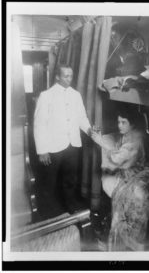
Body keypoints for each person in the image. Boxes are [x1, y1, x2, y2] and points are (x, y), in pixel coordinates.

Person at [92, 108, 149, 251]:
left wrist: (100, 141)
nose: (119, 125)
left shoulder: (136, 138)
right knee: (121, 194)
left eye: (123, 122)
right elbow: (118, 152)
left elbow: (117, 159)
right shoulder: (126, 135)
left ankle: (131, 240)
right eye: (118, 122)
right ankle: (116, 233)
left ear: (131, 124)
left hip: (143, 172)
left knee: (128, 195)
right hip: (131, 171)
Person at [34, 64, 92, 219]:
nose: (69, 79)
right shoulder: (46, 95)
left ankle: (70, 208)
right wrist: (42, 150)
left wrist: (89, 130)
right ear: (57, 77)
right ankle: (49, 214)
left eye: (71, 75)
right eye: (65, 76)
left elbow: (82, 118)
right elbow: (40, 124)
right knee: (50, 182)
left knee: (70, 180)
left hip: (72, 145)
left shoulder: (76, 95)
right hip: (53, 146)